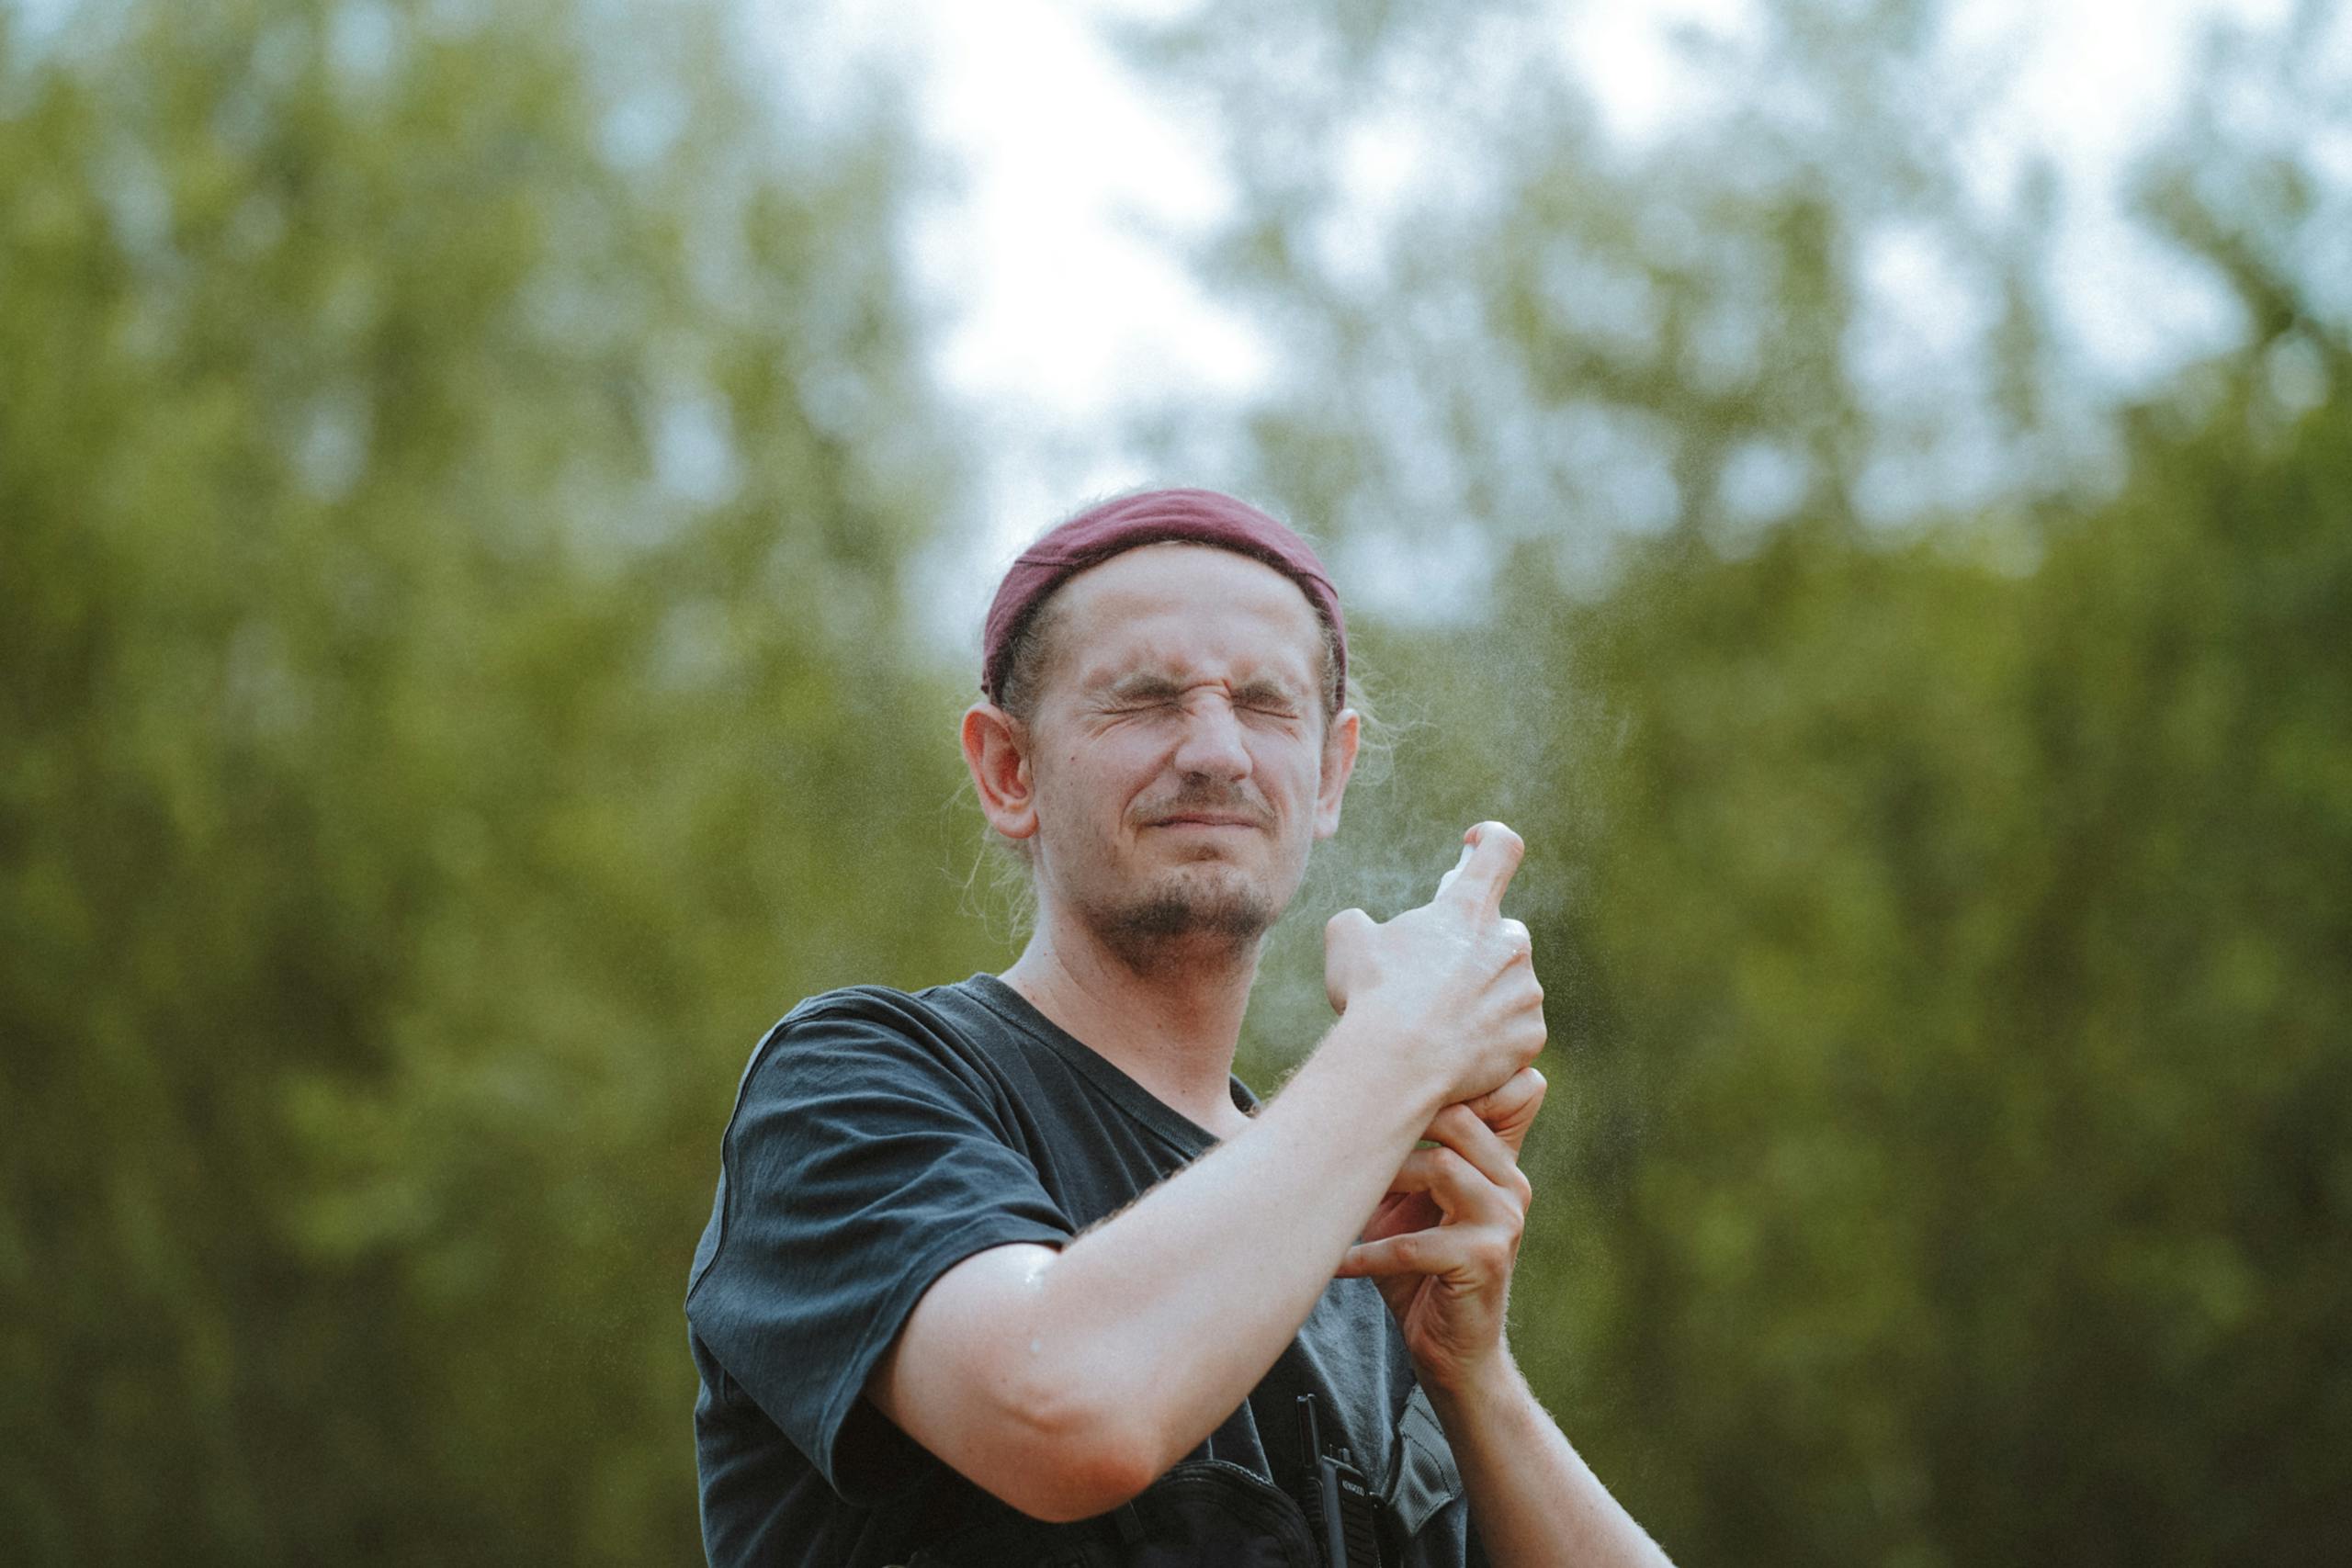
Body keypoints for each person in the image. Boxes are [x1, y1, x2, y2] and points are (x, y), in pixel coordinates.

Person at [684, 488, 1670, 1566]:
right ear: (1009, 771)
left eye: (1265, 704)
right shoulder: (850, 1086)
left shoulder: (1362, 1249)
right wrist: (1403, 1044)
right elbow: (1068, 1416)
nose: (1215, 752)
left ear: (1331, 770)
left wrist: (1468, 1375)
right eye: (1145, 700)